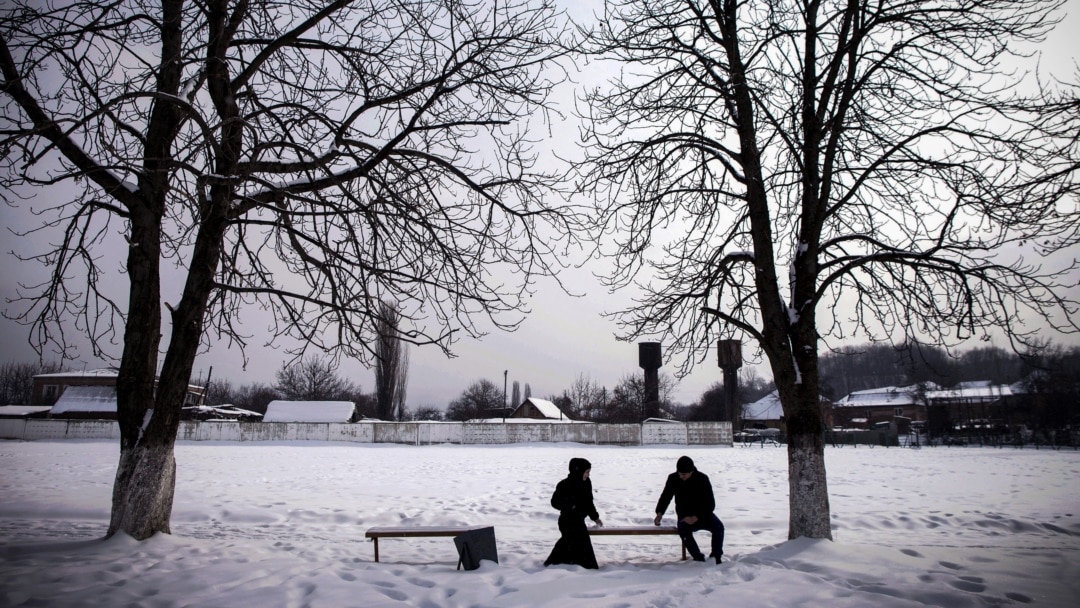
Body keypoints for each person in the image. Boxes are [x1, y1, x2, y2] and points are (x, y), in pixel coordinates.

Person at [653, 455, 725, 564]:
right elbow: (666, 496)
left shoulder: (702, 479)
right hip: (684, 515)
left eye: (684, 474)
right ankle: (698, 558)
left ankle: (716, 556)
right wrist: (659, 513)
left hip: (703, 514)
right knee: (683, 530)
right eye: (679, 474)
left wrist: (696, 517)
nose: (681, 476)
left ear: (691, 471)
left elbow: (710, 504)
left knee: (719, 527)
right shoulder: (673, 479)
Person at [544, 457, 604, 569]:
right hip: (567, 520)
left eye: (589, 472)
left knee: (574, 542)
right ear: (579, 471)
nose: (588, 475)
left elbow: (589, 502)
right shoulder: (564, 484)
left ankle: (565, 565)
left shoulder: (587, 483)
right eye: (587, 472)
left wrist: (595, 517)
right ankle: (584, 568)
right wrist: (570, 505)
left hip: (579, 520)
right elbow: (554, 502)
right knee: (576, 541)